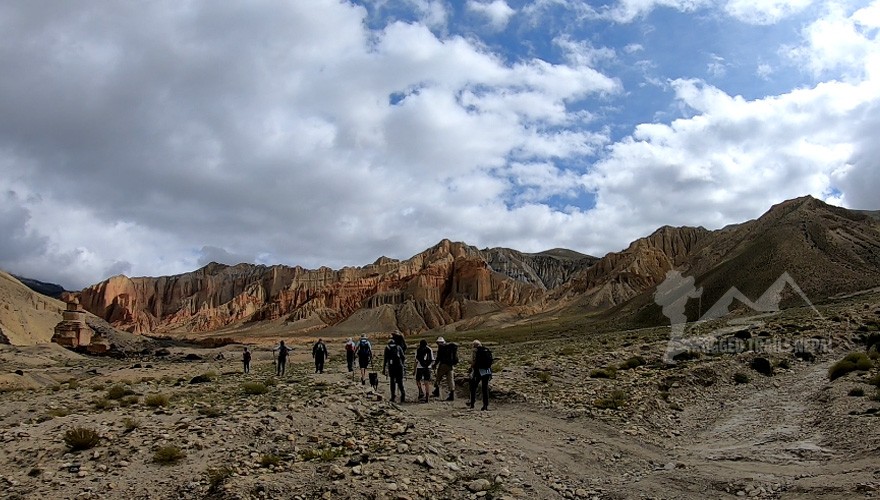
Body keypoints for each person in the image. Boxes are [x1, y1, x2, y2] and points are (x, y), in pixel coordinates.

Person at [467, 340, 493, 411]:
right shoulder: (486, 350)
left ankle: (472, 403)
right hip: (487, 371)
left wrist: (471, 368)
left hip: (478, 371)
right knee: (485, 388)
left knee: (473, 387)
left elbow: (473, 361)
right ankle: (485, 405)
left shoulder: (475, 351)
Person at [433, 337, 458, 401]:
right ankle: (452, 394)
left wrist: (435, 364)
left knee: (438, 377)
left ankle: (437, 390)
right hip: (450, 366)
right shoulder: (451, 348)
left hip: (443, 365)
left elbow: (438, 358)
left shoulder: (441, 348)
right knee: (450, 379)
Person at [383, 338, 406, 403]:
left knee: (392, 381)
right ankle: (403, 395)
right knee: (400, 382)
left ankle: (393, 396)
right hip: (399, 366)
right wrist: (402, 364)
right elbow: (403, 357)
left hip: (392, 367)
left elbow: (385, 359)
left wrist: (384, 369)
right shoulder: (398, 347)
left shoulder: (387, 348)